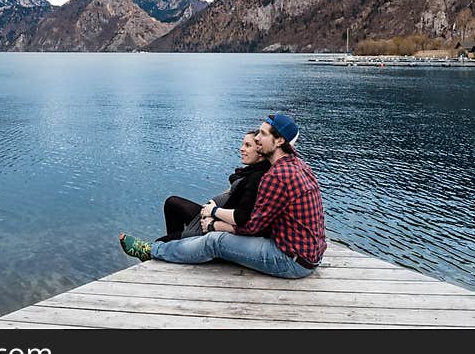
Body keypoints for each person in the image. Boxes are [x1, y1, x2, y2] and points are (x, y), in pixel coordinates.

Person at [119, 114, 326, 279]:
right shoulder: (298, 165)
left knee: (215, 242)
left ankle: (152, 251)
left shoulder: (277, 175)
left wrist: (214, 223)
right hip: (307, 254)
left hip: (289, 260)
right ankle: (166, 251)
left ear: (279, 140)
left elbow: (251, 226)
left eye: (262, 134)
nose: (256, 138)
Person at [156, 130, 271, 242]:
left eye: (248, 145)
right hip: (213, 217)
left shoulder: (257, 177)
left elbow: (241, 217)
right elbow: (236, 184)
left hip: (214, 224)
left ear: (260, 151)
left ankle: (178, 244)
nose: (241, 149)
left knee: (160, 243)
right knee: (172, 203)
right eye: (243, 144)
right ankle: (178, 244)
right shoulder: (250, 172)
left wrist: (213, 212)